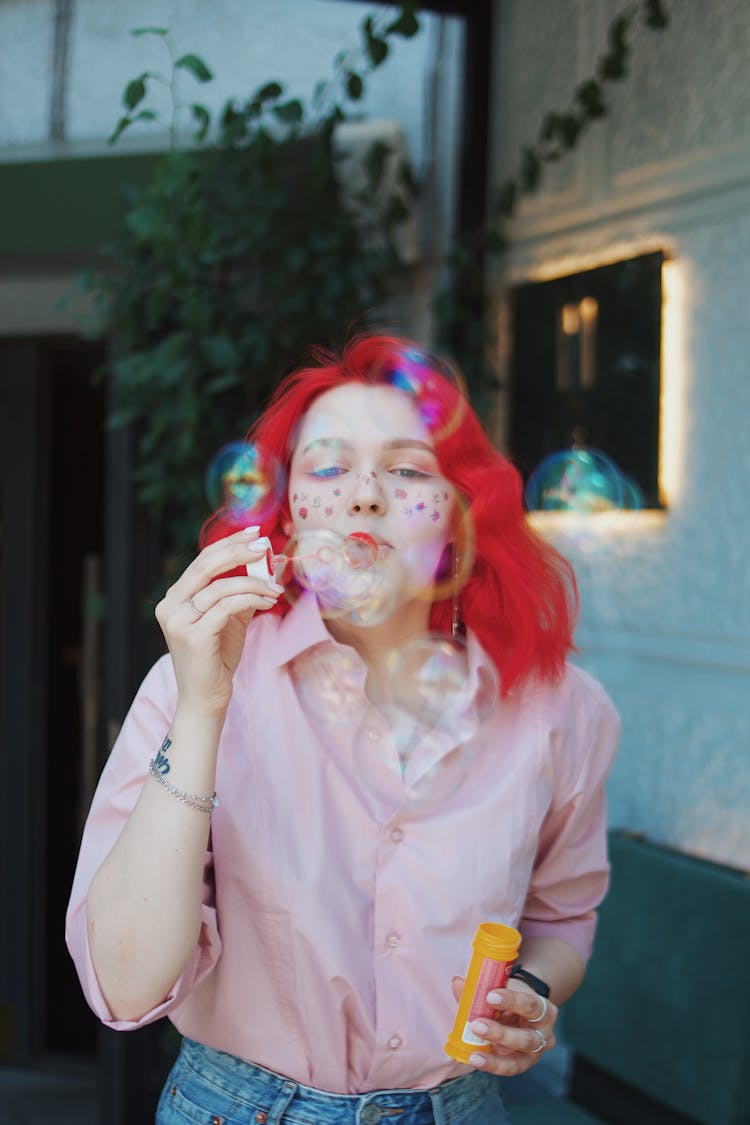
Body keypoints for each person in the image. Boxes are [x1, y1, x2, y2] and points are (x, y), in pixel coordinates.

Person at [66, 334, 620, 1125]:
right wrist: (200, 710)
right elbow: (126, 985)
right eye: (327, 468)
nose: (364, 495)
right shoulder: (199, 688)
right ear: (285, 509)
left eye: (405, 468)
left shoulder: (560, 709)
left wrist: (531, 990)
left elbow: (561, 918)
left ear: (462, 517)